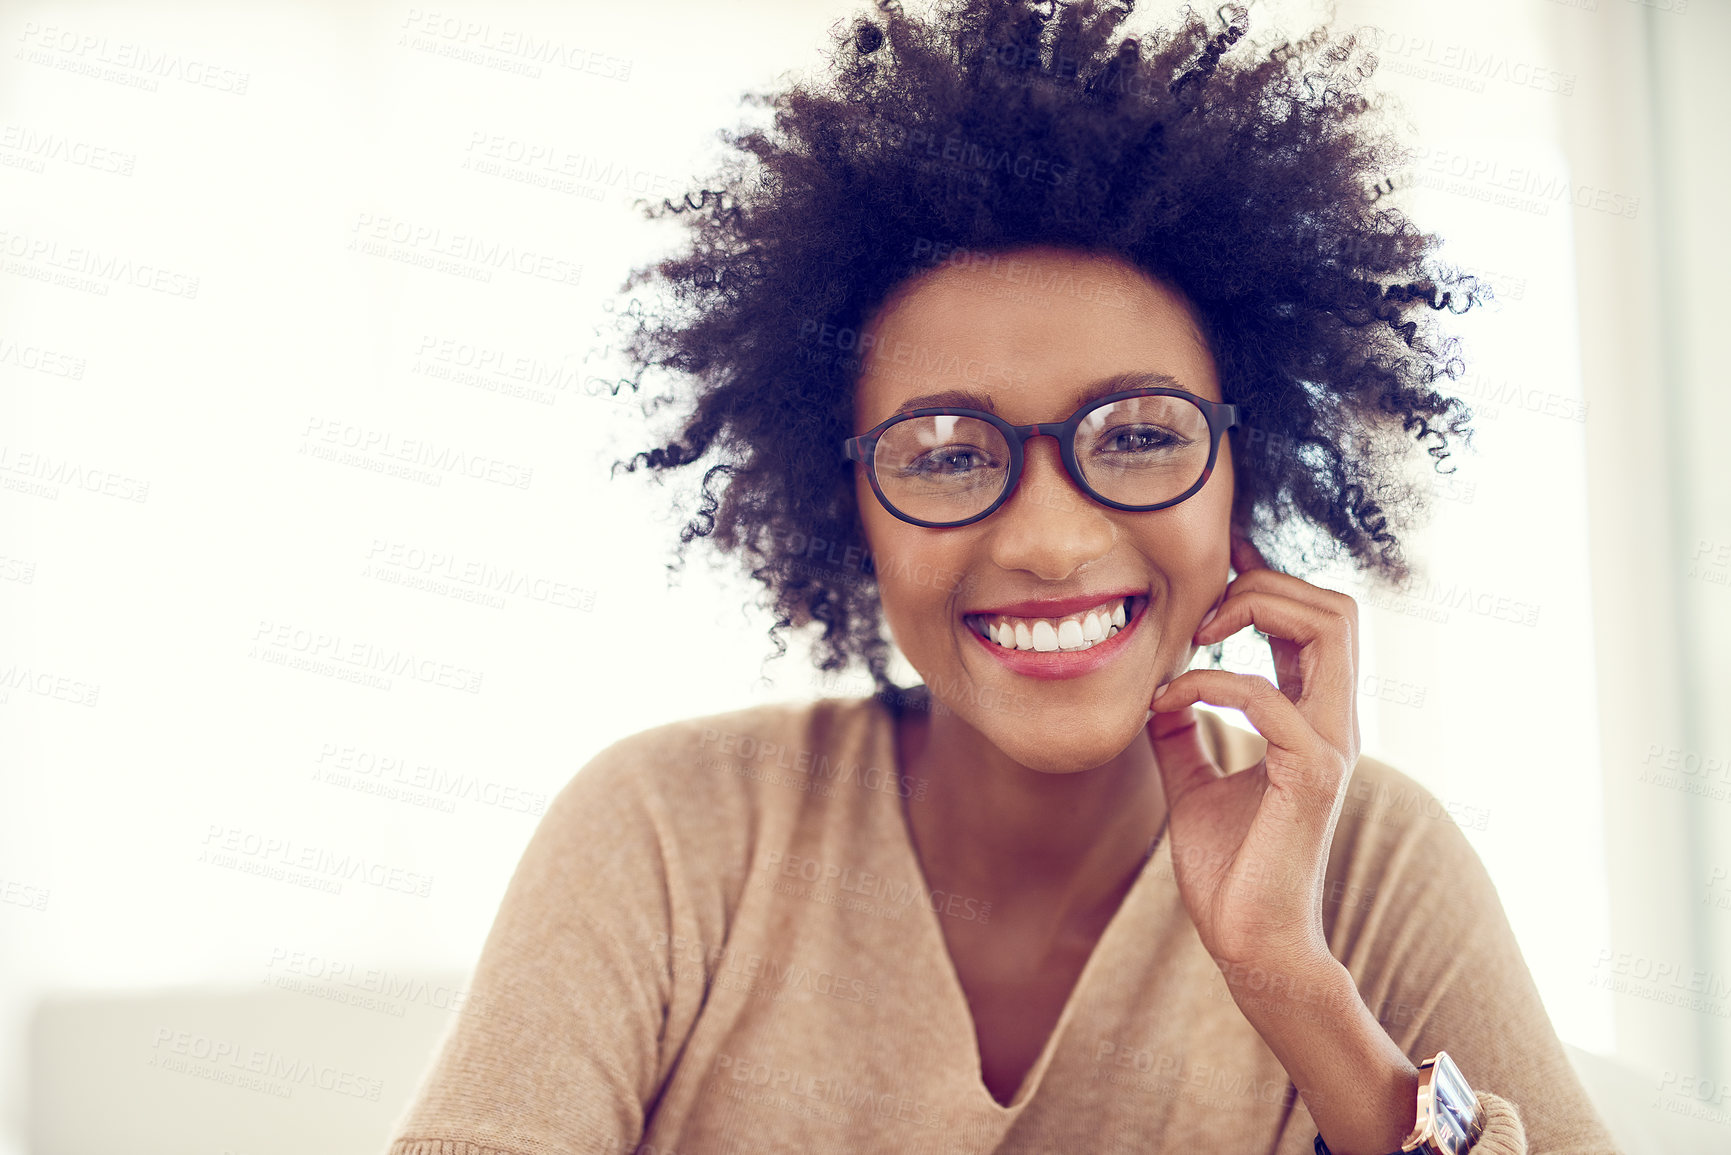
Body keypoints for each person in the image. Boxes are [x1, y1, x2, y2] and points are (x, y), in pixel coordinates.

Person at [384, 2, 1619, 1152]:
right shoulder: (670, 833)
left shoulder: (1374, 864)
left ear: (1248, 468)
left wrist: (1294, 987)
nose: (1048, 539)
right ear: (845, 502)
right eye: (944, 453)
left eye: (1138, 435)